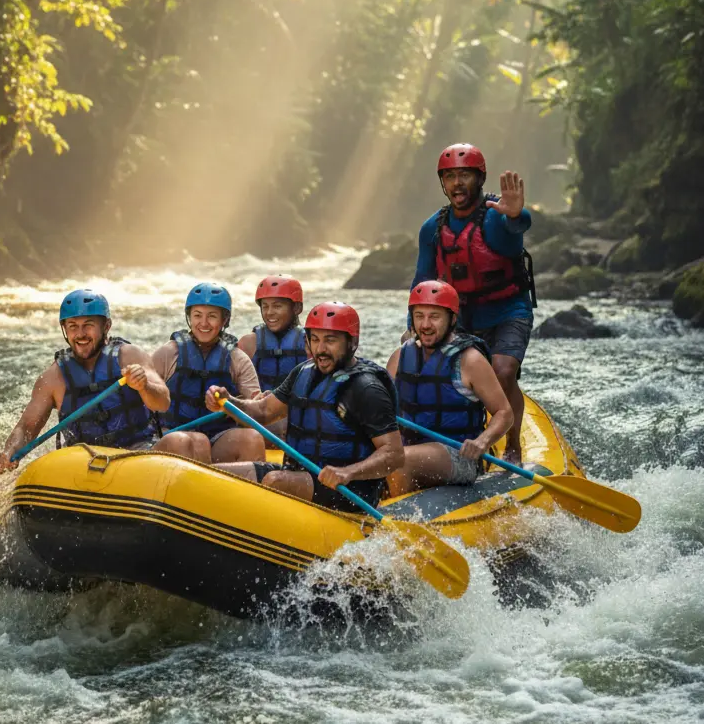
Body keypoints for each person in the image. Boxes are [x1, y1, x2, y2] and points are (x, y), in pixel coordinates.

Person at [206, 302, 404, 512]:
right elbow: (263, 412)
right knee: (212, 476)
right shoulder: (303, 372)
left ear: (351, 342)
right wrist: (228, 403)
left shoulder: (367, 388)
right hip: (298, 474)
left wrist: (349, 472)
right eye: (315, 339)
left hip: (349, 488)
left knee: (275, 482)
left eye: (330, 340)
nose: (321, 349)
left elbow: (394, 454)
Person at [411, 143, 535, 463]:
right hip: (464, 313)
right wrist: (411, 325)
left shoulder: (495, 216)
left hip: (508, 307)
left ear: (479, 179)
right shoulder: (432, 229)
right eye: (450, 176)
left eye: (464, 175)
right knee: (439, 371)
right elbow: (422, 282)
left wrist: (517, 215)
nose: (457, 183)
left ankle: (512, 447)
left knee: (503, 371)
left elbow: (514, 229)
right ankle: (459, 439)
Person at [0, 288, 178, 474]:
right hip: (83, 462)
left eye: (88, 325)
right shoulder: (53, 378)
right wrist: (9, 452)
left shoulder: (129, 356)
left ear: (106, 326)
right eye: (72, 326)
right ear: (65, 329)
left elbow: (163, 402)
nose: (80, 334)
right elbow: (26, 427)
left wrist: (144, 386)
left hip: (137, 452)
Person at [386, 280, 513, 496]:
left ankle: (394, 523)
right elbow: (383, 409)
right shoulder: (400, 357)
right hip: (409, 448)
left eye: (434, 316)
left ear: (452, 319)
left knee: (400, 461)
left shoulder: (470, 360)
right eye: (419, 316)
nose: (425, 324)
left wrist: (482, 442)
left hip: (458, 456)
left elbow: (504, 413)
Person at [152, 282, 266, 465]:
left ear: (224, 320)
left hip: (219, 437)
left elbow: (255, 408)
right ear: (189, 317)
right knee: (197, 441)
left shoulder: (238, 359)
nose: (204, 323)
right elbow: (145, 398)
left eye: (212, 316)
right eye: (197, 315)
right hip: (173, 435)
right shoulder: (168, 353)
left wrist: (232, 404)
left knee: (251, 439)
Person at [237, 275, 309, 442]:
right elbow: (236, 386)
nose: (269, 313)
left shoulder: (311, 344)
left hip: (295, 421)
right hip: (259, 419)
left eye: (277, 306)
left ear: (297, 308)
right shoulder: (249, 343)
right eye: (265, 306)